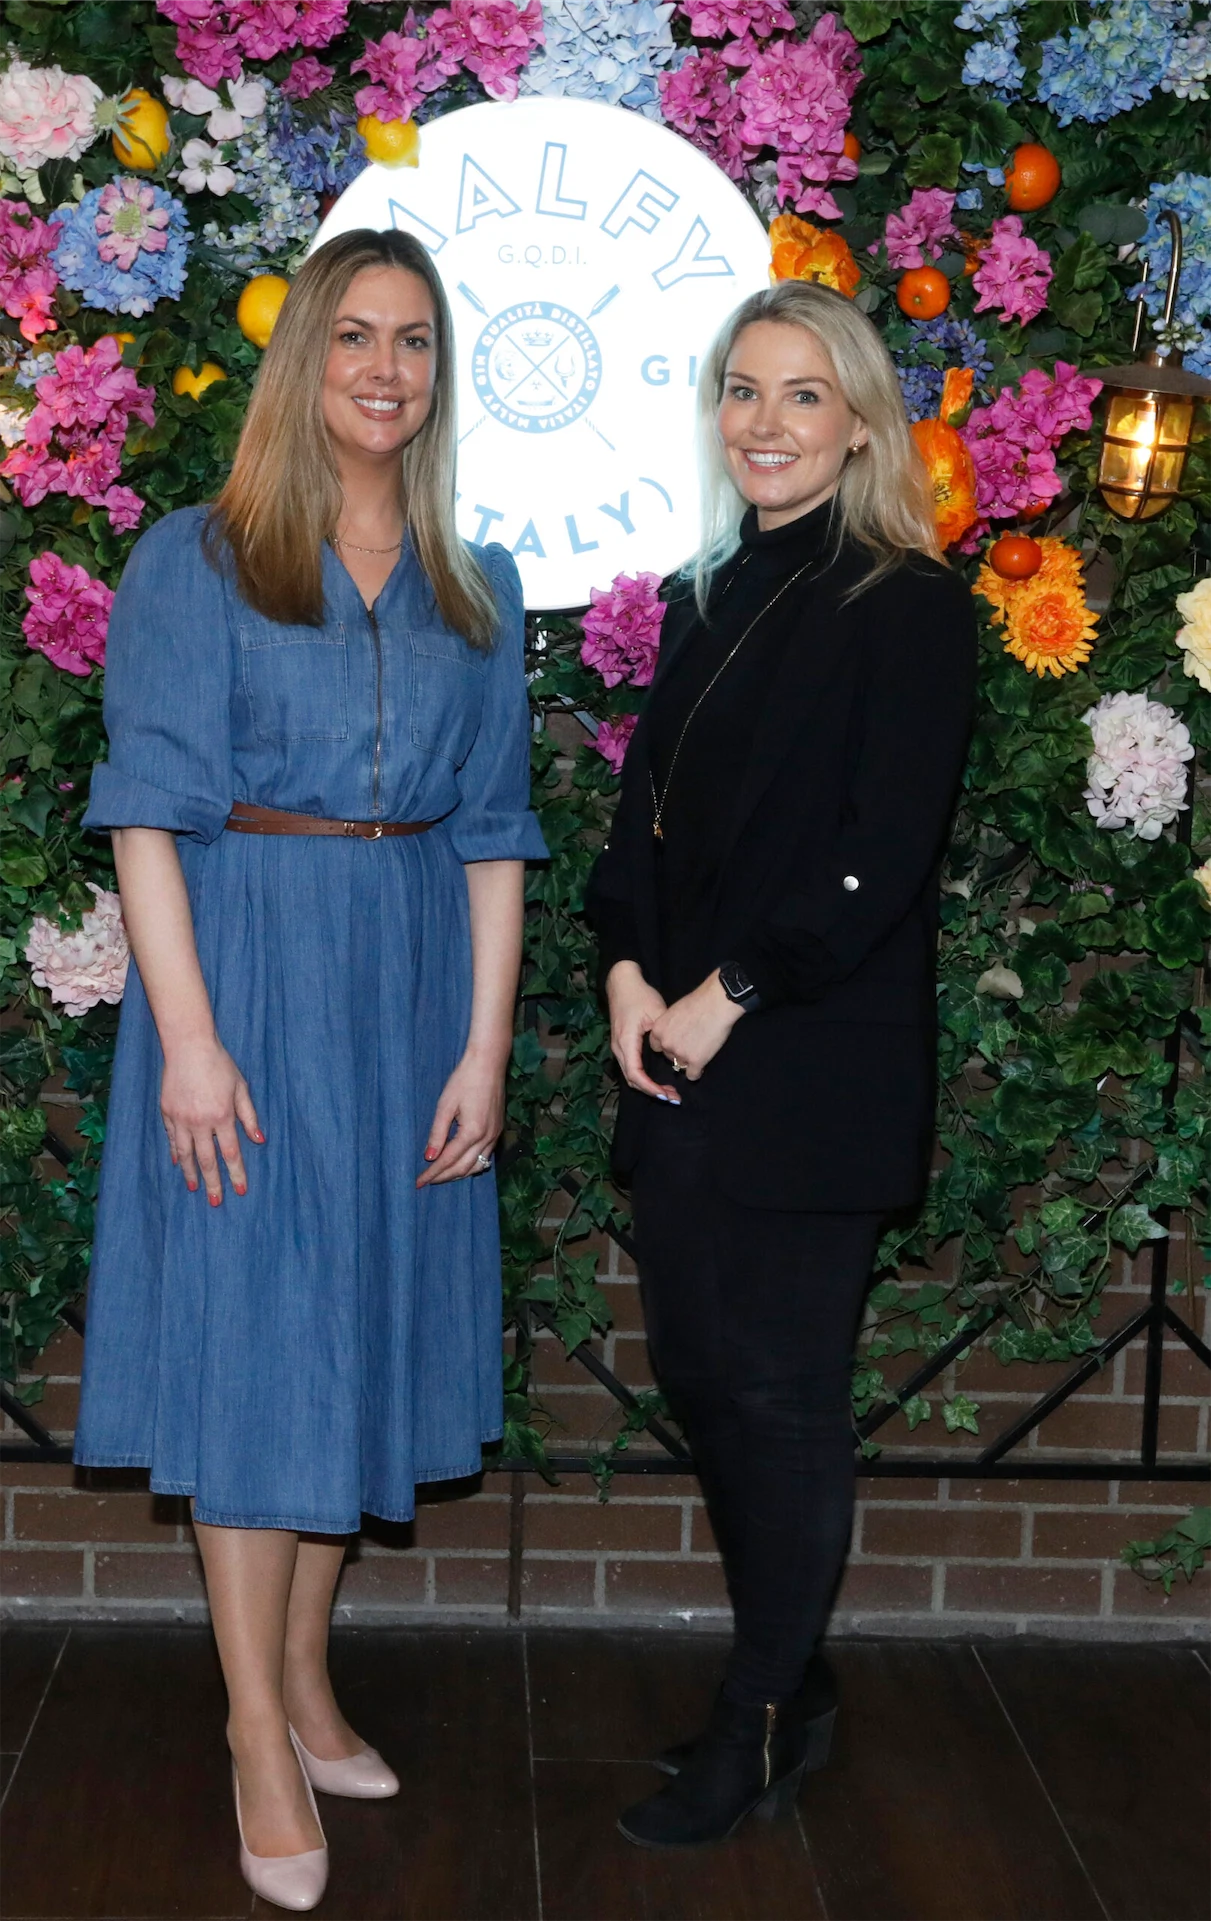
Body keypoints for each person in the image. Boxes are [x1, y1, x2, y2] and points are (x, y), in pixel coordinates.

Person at [73, 227, 546, 1910]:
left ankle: (306, 1678)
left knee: (360, 1334)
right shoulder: (196, 561)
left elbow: (495, 835)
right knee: (261, 1350)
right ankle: (252, 1734)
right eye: (353, 335)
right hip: (248, 984)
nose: (383, 369)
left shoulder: (475, 585)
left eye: (413, 340)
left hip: (412, 989)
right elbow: (146, 815)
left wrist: (484, 1046)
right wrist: (190, 1043)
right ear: (303, 361)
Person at [586, 279, 977, 1849]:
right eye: (741, 390)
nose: (764, 421)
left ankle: (753, 1716)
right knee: (703, 1381)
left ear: (860, 423)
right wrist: (627, 969)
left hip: (811, 1064)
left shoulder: (910, 605)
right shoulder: (707, 596)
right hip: (681, 1052)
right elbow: (641, 823)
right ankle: (790, 1679)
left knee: (780, 1396)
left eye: (801, 394)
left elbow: (881, 851)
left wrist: (731, 989)